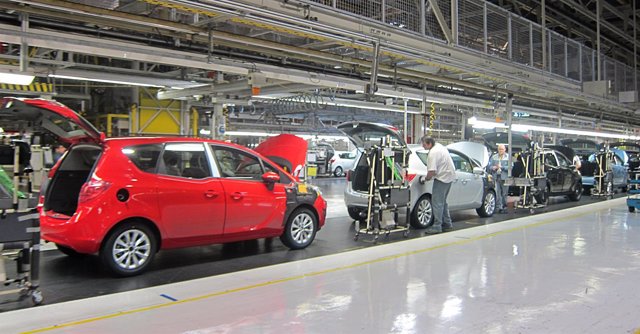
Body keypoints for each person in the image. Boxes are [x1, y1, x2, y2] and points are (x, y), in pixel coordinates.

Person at [420, 136, 457, 234]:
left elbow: (432, 171)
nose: (423, 146)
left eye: (424, 144)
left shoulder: (433, 153)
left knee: (437, 203)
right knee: (442, 202)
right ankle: (447, 224)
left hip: (442, 178)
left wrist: (425, 179)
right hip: (449, 177)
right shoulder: (440, 146)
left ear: (429, 144)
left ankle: (437, 226)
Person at [489, 144, 510, 213]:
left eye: (502, 149)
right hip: (496, 177)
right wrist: (493, 168)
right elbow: (489, 166)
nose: (500, 150)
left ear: (505, 150)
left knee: (504, 193)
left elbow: (510, 167)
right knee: (498, 192)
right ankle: (500, 207)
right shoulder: (494, 157)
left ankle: (504, 206)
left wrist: (502, 167)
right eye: (499, 149)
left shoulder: (508, 157)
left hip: (505, 177)